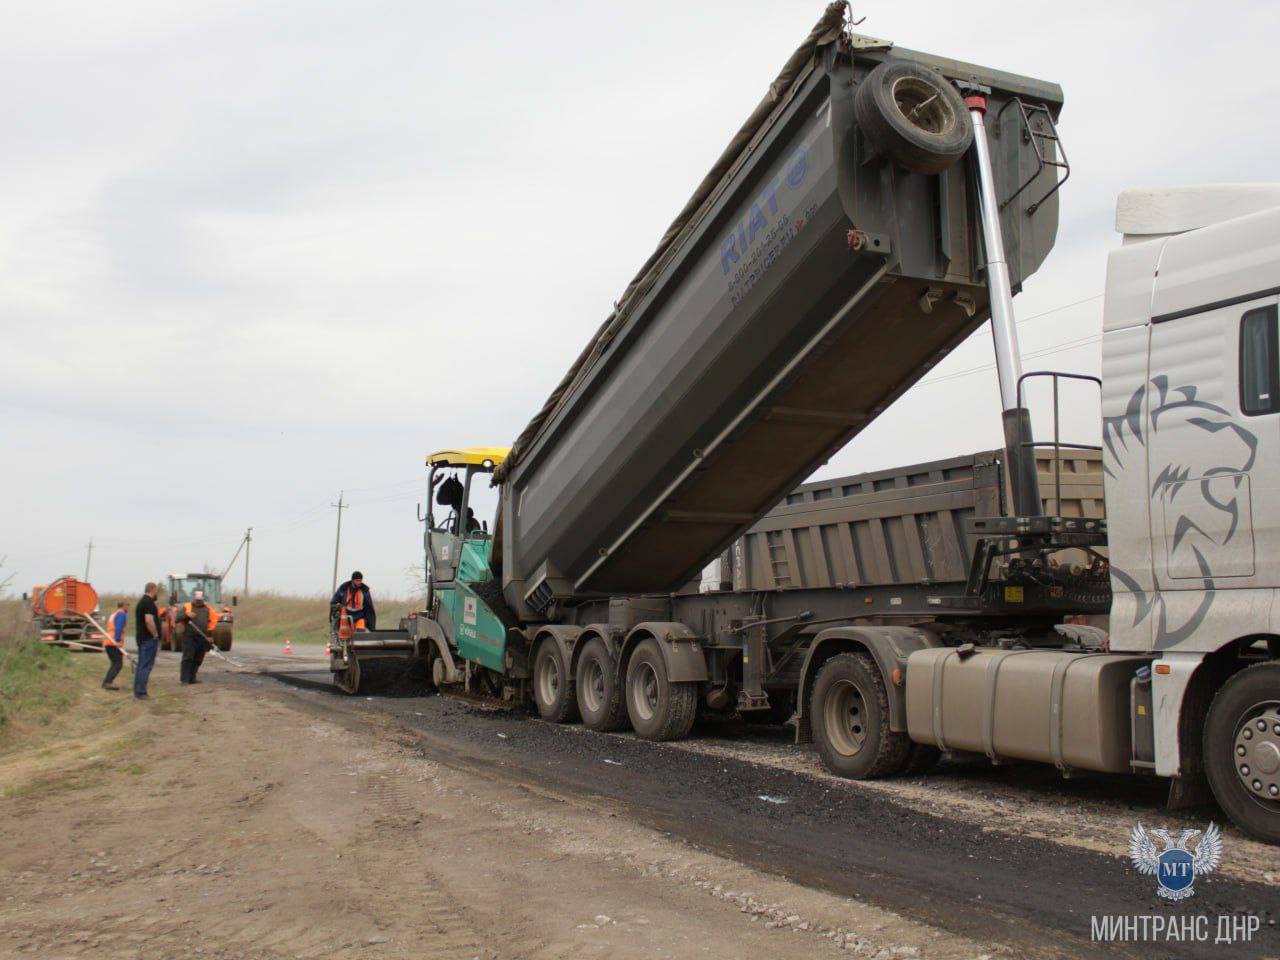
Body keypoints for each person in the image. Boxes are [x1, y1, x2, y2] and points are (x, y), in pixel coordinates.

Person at [176, 590, 220, 685]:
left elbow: (212, 623)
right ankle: (184, 679)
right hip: (189, 637)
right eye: (197, 600)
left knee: (198, 659)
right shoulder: (187, 607)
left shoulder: (208, 609)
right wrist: (186, 615)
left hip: (202, 638)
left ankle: (192, 678)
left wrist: (210, 636)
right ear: (194, 599)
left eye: (200, 600)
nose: (198, 602)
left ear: (203, 599)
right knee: (188, 657)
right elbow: (177, 618)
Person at [134, 582, 161, 700]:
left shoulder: (141, 602)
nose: (157, 593)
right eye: (156, 591)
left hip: (142, 637)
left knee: (141, 665)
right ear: (153, 589)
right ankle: (141, 692)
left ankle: (138, 691)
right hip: (148, 639)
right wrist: (155, 634)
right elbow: (149, 621)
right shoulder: (148, 603)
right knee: (146, 666)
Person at [101, 602, 127, 690]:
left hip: (109, 641)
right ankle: (107, 683)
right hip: (113, 642)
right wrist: (118, 641)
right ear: (123, 606)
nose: (128, 608)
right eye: (127, 606)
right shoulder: (122, 614)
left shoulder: (114, 614)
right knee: (118, 664)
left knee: (115, 663)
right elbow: (119, 628)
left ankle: (107, 682)